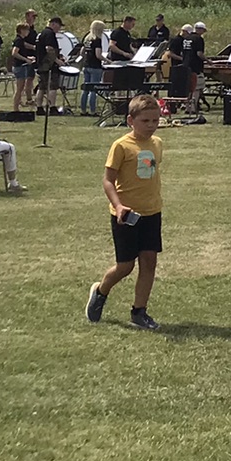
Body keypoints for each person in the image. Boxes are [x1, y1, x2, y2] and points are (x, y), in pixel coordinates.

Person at [86, 96, 169, 330]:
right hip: (126, 215)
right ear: (130, 120)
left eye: (155, 120)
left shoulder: (157, 143)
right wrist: (119, 206)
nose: (152, 125)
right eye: (146, 121)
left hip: (151, 212)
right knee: (125, 266)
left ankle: (139, 312)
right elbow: (108, 181)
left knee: (149, 262)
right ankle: (101, 291)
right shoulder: (121, 146)